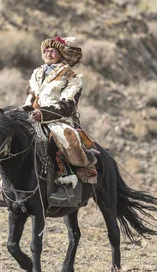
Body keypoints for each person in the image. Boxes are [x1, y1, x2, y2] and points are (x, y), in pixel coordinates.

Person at [20, 36, 98, 206]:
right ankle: (12, 185)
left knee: (63, 137)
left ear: (61, 54)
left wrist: (44, 114)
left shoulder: (71, 74)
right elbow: (30, 96)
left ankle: (67, 183)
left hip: (58, 118)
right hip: (33, 117)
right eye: (46, 50)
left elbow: (68, 104)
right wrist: (23, 110)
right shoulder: (36, 72)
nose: (48, 53)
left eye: (53, 50)